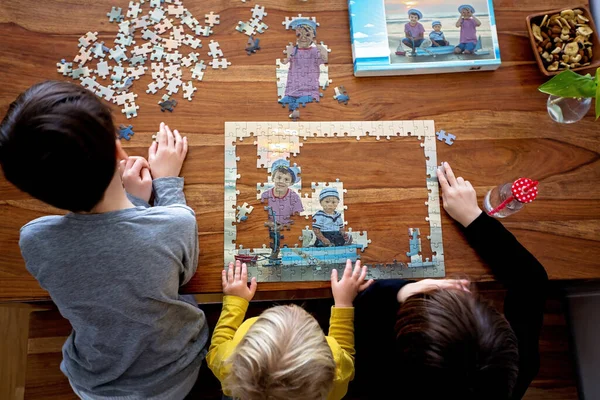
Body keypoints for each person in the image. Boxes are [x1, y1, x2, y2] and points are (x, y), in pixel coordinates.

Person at [0, 81, 209, 399]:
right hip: (174, 376)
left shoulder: (34, 240)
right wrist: (166, 183)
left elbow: (108, 255)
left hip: (95, 386)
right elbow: (185, 271)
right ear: (118, 149)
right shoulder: (174, 222)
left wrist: (135, 205)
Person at [351, 162, 548, 400]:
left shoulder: (371, 377)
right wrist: (474, 218)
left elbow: (363, 306)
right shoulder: (512, 366)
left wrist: (406, 290)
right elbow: (532, 279)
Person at [207, 259, 373, 400]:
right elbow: (345, 354)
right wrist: (343, 303)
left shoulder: (230, 366)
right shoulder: (335, 375)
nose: (290, 305)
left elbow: (216, 349)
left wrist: (235, 301)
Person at [278, 19, 328, 112]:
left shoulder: (315, 51)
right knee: (281, 109)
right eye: (299, 35)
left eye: (307, 35)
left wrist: (318, 45)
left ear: (313, 36)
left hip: (309, 93)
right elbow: (283, 61)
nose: (303, 37)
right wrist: (288, 52)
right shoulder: (293, 50)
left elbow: (326, 59)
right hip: (291, 93)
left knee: (300, 111)